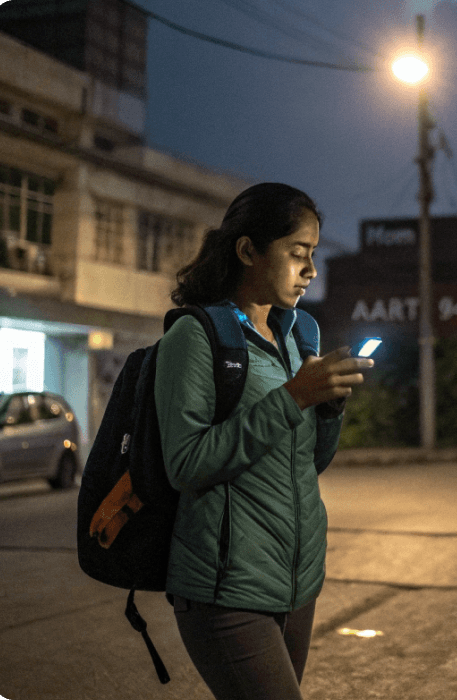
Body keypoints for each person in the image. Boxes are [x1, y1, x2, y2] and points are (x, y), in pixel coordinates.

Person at [154, 183, 372, 700]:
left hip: (296, 584)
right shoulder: (195, 337)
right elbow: (185, 464)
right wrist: (294, 397)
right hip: (227, 590)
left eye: (313, 255)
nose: (311, 270)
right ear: (248, 250)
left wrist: (329, 407)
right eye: (298, 254)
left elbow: (310, 463)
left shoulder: (301, 337)